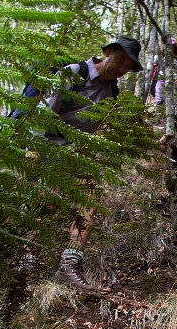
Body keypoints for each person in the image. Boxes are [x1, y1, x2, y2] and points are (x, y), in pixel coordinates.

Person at [47, 34, 143, 292]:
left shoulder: (112, 92)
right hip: (48, 146)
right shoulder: (73, 73)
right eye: (121, 62)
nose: (122, 70)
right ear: (109, 51)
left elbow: (105, 128)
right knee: (46, 202)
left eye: (127, 68)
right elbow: (43, 113)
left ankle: (71, 261)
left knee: (89, 197)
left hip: (78, 152)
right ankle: (26, 261)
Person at [153, 37, 177, 110]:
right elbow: (153, 70)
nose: (169, 49)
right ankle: (159, 119)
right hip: (161, 82)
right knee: (159, 101)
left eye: (171, 47)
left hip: (174, 83)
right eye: (167, 47)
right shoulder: (158, 58)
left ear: (174, 49)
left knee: (175, 104)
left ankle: (175, 118)